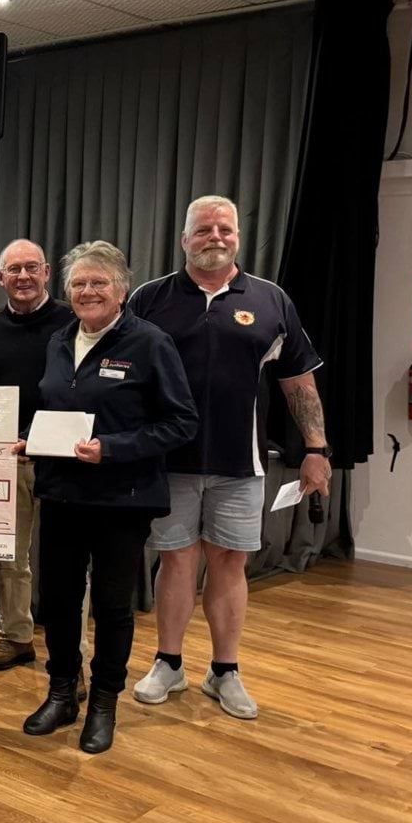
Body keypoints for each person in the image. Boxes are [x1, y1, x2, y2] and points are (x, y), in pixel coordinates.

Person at [128, 195, 330, 720]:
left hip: (242, 465)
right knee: (174, 561)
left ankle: (225, 671)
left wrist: (316, 448)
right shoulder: (151, 299)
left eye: (225, 228)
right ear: (185, 239)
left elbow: (299, 382)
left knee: (230, 562)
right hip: (168, 461)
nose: (215, 236)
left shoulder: (270, 300)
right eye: (204, 229)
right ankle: (168, 664)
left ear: (238, 236)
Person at [20, 241, 197, 754]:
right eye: (79, 283)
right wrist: (29, 439)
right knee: (57, 600)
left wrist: (113, 448)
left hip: (123, 498)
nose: (88, 291)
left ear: (121, 289)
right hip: (62, 496)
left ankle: (103, 704)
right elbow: (55, 409)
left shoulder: (150, 343)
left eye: (99, 282)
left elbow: (181, 422)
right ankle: (61, 693)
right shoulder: (58, 341)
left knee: (113, 607)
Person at [0, 239, 75, 670]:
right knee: (8, 557)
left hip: (66, 461)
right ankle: (16, 636)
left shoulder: (74, 321)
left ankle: (71, 649)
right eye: (13, 270)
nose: (22, 277)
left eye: (31, 268)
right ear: (0, 277)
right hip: (8, 460)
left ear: (46, 272)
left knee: (67, 564)